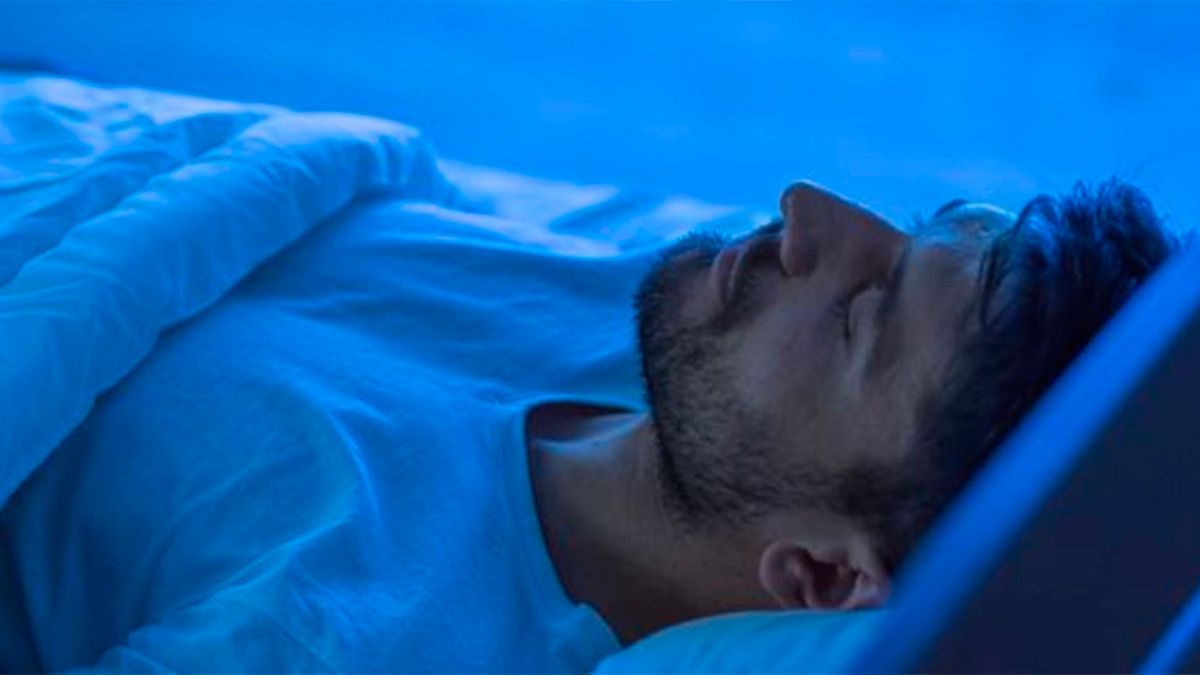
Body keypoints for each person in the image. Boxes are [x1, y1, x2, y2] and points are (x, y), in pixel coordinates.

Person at [0, 177, 1180, 673]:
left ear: (821, 577)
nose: (804, 213)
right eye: (910, 228)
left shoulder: (356, 634)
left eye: (860, 315)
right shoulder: (666, 313)